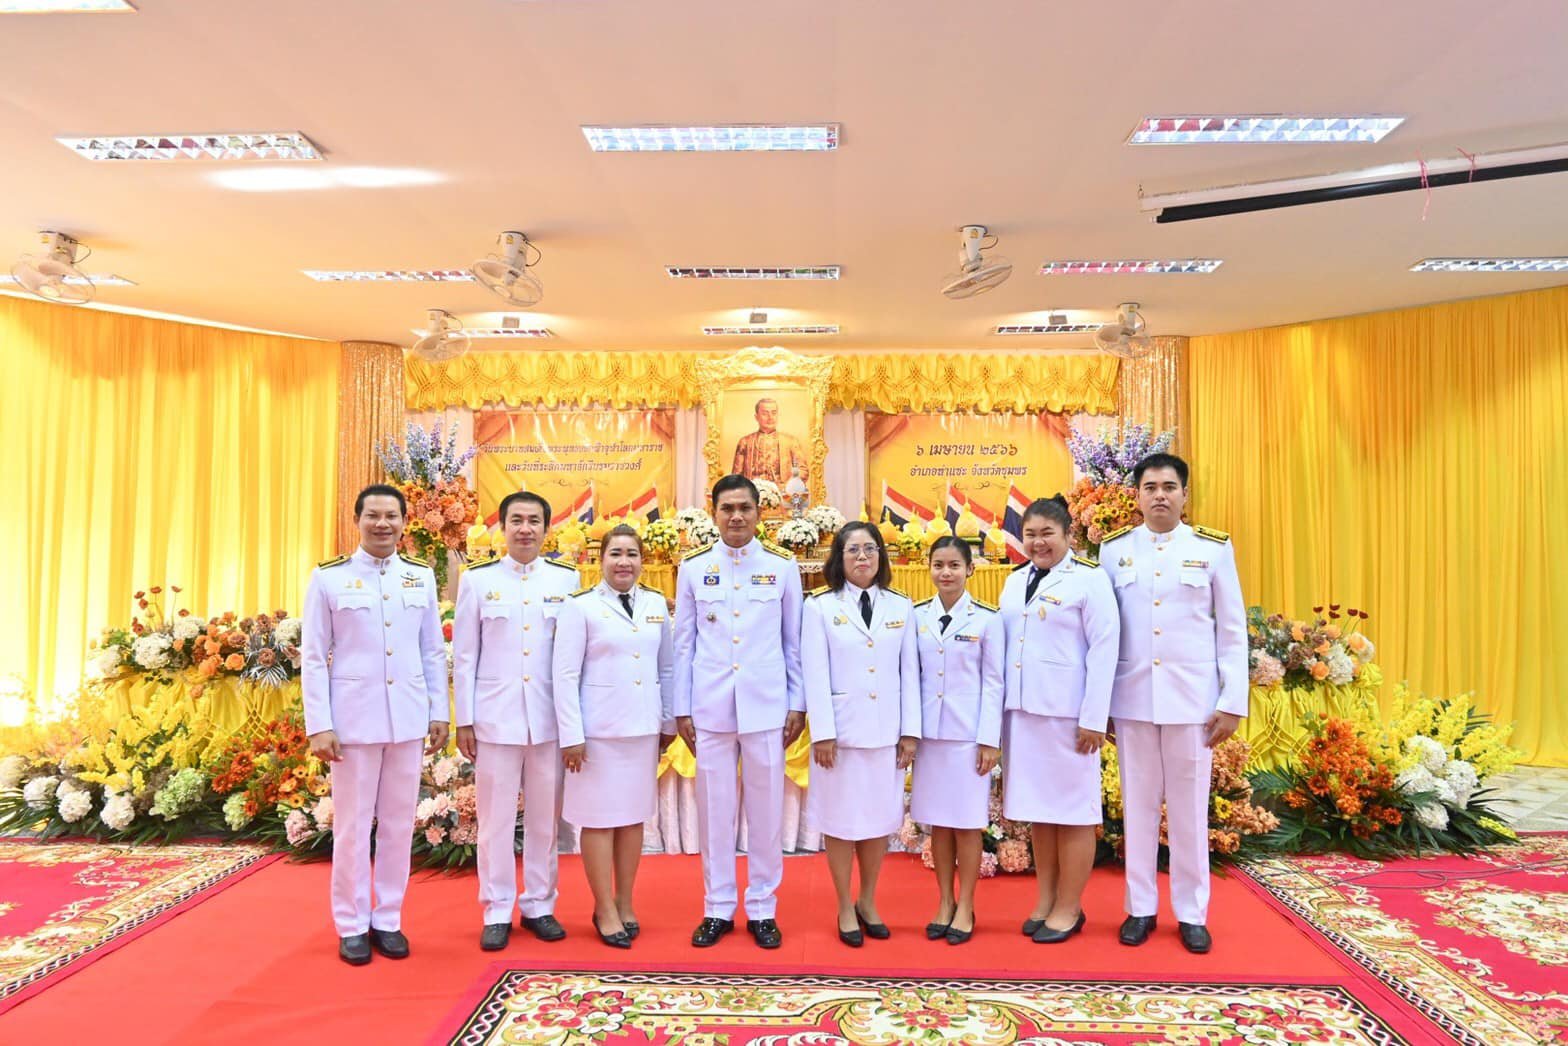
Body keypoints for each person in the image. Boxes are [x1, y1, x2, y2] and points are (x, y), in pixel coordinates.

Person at [1099, 453, 1247, 955]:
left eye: (1168, 486)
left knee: (1189, 813)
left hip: (1192, 704)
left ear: (1185, 494)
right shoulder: (1113, 551)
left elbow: (1232, 630)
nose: (1159, 495)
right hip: (1132, 699)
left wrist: (1232, 700)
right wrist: (1100, 705)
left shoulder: (1212, 549)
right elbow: (1103, 633)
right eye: (1150, 487)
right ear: (1137, 496)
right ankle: (1140, 907)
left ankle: (1191, 913)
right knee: (1137, 810)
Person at [302, 484, 449, 966]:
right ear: (357, 520)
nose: (382, 524)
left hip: (406, 719)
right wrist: (319, 724)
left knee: (399, 825)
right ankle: (351, 923)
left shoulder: (419, 577)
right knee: (351, 826)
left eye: (391, 516)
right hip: (353, 723)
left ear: (404, 522)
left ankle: (387, 918)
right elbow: (313, 656)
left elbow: (431, 649)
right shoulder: (330, 577)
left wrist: (438, 711)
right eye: (373, 515)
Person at [672, 474, 806, 950]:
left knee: (766, 811)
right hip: (709, 707)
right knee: (715, 810)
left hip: (766, 706)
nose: (736, 516)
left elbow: (793, 643)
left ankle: (763, 907)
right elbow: (683, 644)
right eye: (727, 508)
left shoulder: (781, 567)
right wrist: (681, 708)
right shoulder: (693, 568)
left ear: (758, 513)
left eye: (744, 508)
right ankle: (717, 906)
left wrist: (797, 702)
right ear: (713, 513)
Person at [452, 490, 579, 951]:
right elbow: (465, 655)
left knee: (545, 822)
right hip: (495, 719)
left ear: (547, 529)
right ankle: (497, 908)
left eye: (534, 521)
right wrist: (465, 720)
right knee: (495, 822)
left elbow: (572, 656)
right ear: (502, 527)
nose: (525, 529)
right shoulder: (477, 580)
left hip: (548, 720)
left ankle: (540, 904)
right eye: (516, 520)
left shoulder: (567, 580)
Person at [999, 496, 1119, 944]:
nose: (1038, 542)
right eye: (1030, 534)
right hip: (1023, 714)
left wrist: (1094, 717)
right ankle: (1046, 899)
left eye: (1047, 533)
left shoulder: (1089, 580)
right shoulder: (1014, 581)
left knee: (1072, 814)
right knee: (1039, 813)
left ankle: (1070, 906)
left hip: (1069, 718)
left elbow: (1105, 648)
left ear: (1068, 534)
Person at [552, 525, 675, 948]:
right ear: (600, 559)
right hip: (597, 734)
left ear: (642, 560)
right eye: (616, 554)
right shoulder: (581, 606)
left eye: (632, 554)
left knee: (632, 819)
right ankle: (604, 906)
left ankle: (625, 900)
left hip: (642, 730)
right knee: (600, 821)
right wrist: (571, 735)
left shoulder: (656, 603)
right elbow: (564, 675)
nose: (624, 562)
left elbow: (666, 668)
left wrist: (667, 722)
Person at [803, 521, 920, 947]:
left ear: (881, 556)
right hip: (841, 735)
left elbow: (910, 673)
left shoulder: (901, 606)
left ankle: (867, 900)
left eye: (870, 548)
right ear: (839, 558)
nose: (862, 557)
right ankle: (843, 904)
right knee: (840, 821)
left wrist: (910, 732)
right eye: (852, 549)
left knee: (878, 820)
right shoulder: (819, 606)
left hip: (886, 732)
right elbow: (814, 672)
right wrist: (823, 733)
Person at [909, 536, 1004, 945]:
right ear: (928, 568)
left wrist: (989, 739)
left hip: (968, 738)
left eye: (954, 565)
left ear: (970, 570)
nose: (945, 573)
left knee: (966, 824)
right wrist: (909, 732)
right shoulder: (916, 616)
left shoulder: (987, 620)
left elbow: (995, 682)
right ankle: (944, 901)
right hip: (930, 738)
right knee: (939, 825)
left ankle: (966, 904)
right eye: (938, 565)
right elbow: (909, 677)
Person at [730, 397, 808, 487]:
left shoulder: (790, 442)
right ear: (756, 417)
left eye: (774, 413)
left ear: (778, 415)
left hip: (782, 492)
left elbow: (803, 471)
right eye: (765, 413)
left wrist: (786, 486)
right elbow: (736, 477)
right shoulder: (745, 442)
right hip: (752, 492)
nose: (770, 417)